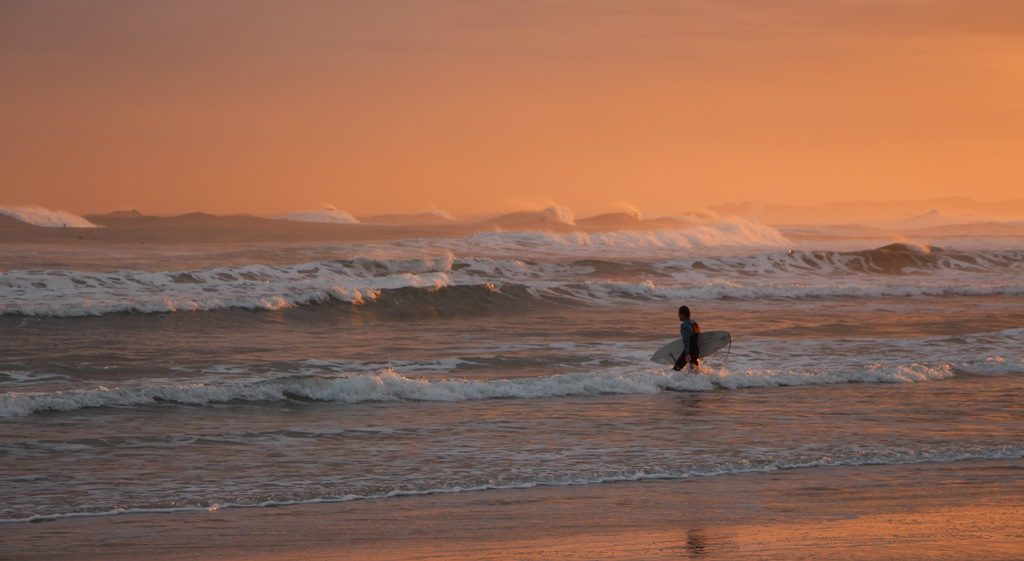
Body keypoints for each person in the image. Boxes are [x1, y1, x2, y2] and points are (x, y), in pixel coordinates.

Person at [673, 305, 700, 371]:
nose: (678, 316)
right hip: (696, 350)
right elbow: (698, 337)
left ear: (682, 314)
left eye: (679, 314)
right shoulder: (694, 323)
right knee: (694, 372)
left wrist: (687, 354)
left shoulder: (685, 325)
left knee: (676, 369)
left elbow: (686, 340)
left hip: (689, 351)